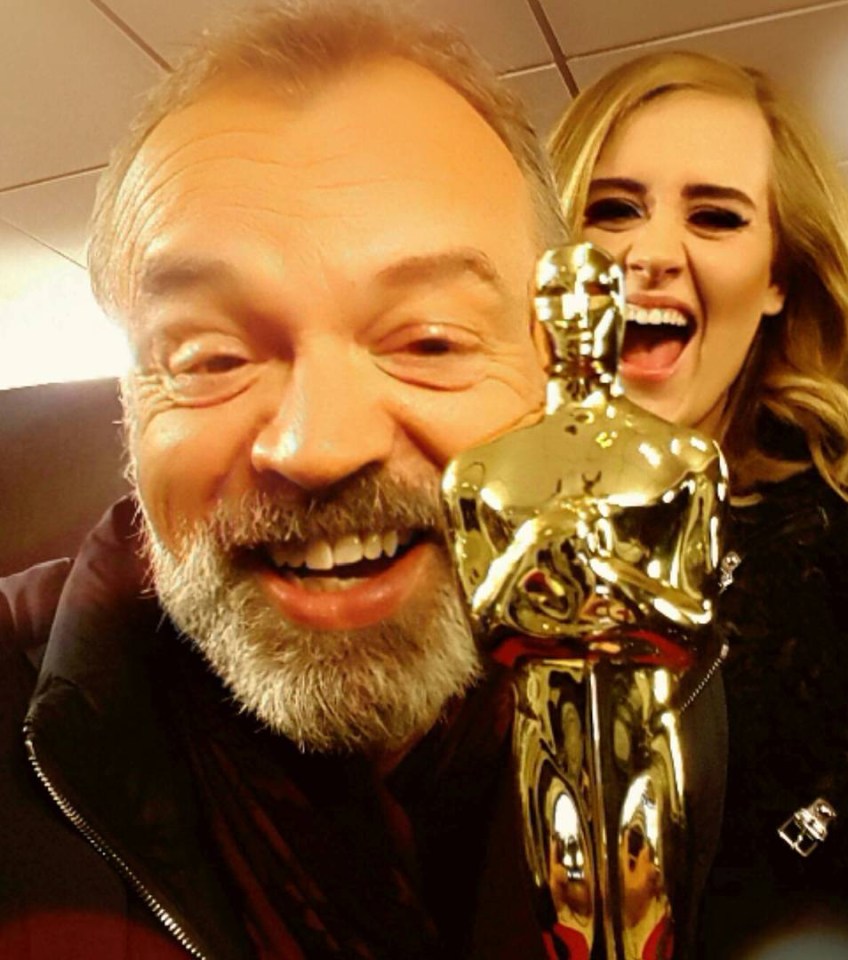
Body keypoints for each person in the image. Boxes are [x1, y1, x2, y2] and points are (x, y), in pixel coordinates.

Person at [0, 2, 592, 957]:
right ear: (130, 403)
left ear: (554, 373)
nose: (317, 445)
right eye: (208, 356)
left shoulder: (676, 686)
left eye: (431, 339)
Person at [548, 49, 848, 958]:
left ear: (779, 276)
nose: (649, 253)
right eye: (612, 209)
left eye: (716, 215)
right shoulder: (478, 522)